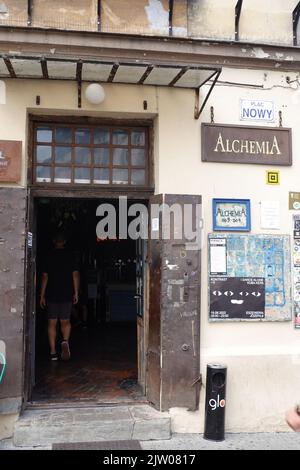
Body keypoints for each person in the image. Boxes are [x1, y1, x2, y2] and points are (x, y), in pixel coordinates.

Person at [40, 232, 80, 361]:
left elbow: (45, 276)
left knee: (52, 323)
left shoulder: (49, 256)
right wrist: (76, 292)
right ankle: (65, 340)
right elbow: (75, 275)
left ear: (54, 241)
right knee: (65, 321)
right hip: (66, 292)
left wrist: (42, 295)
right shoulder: (71, 256)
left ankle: (52, 352)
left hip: (52, 293)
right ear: (64, 242)